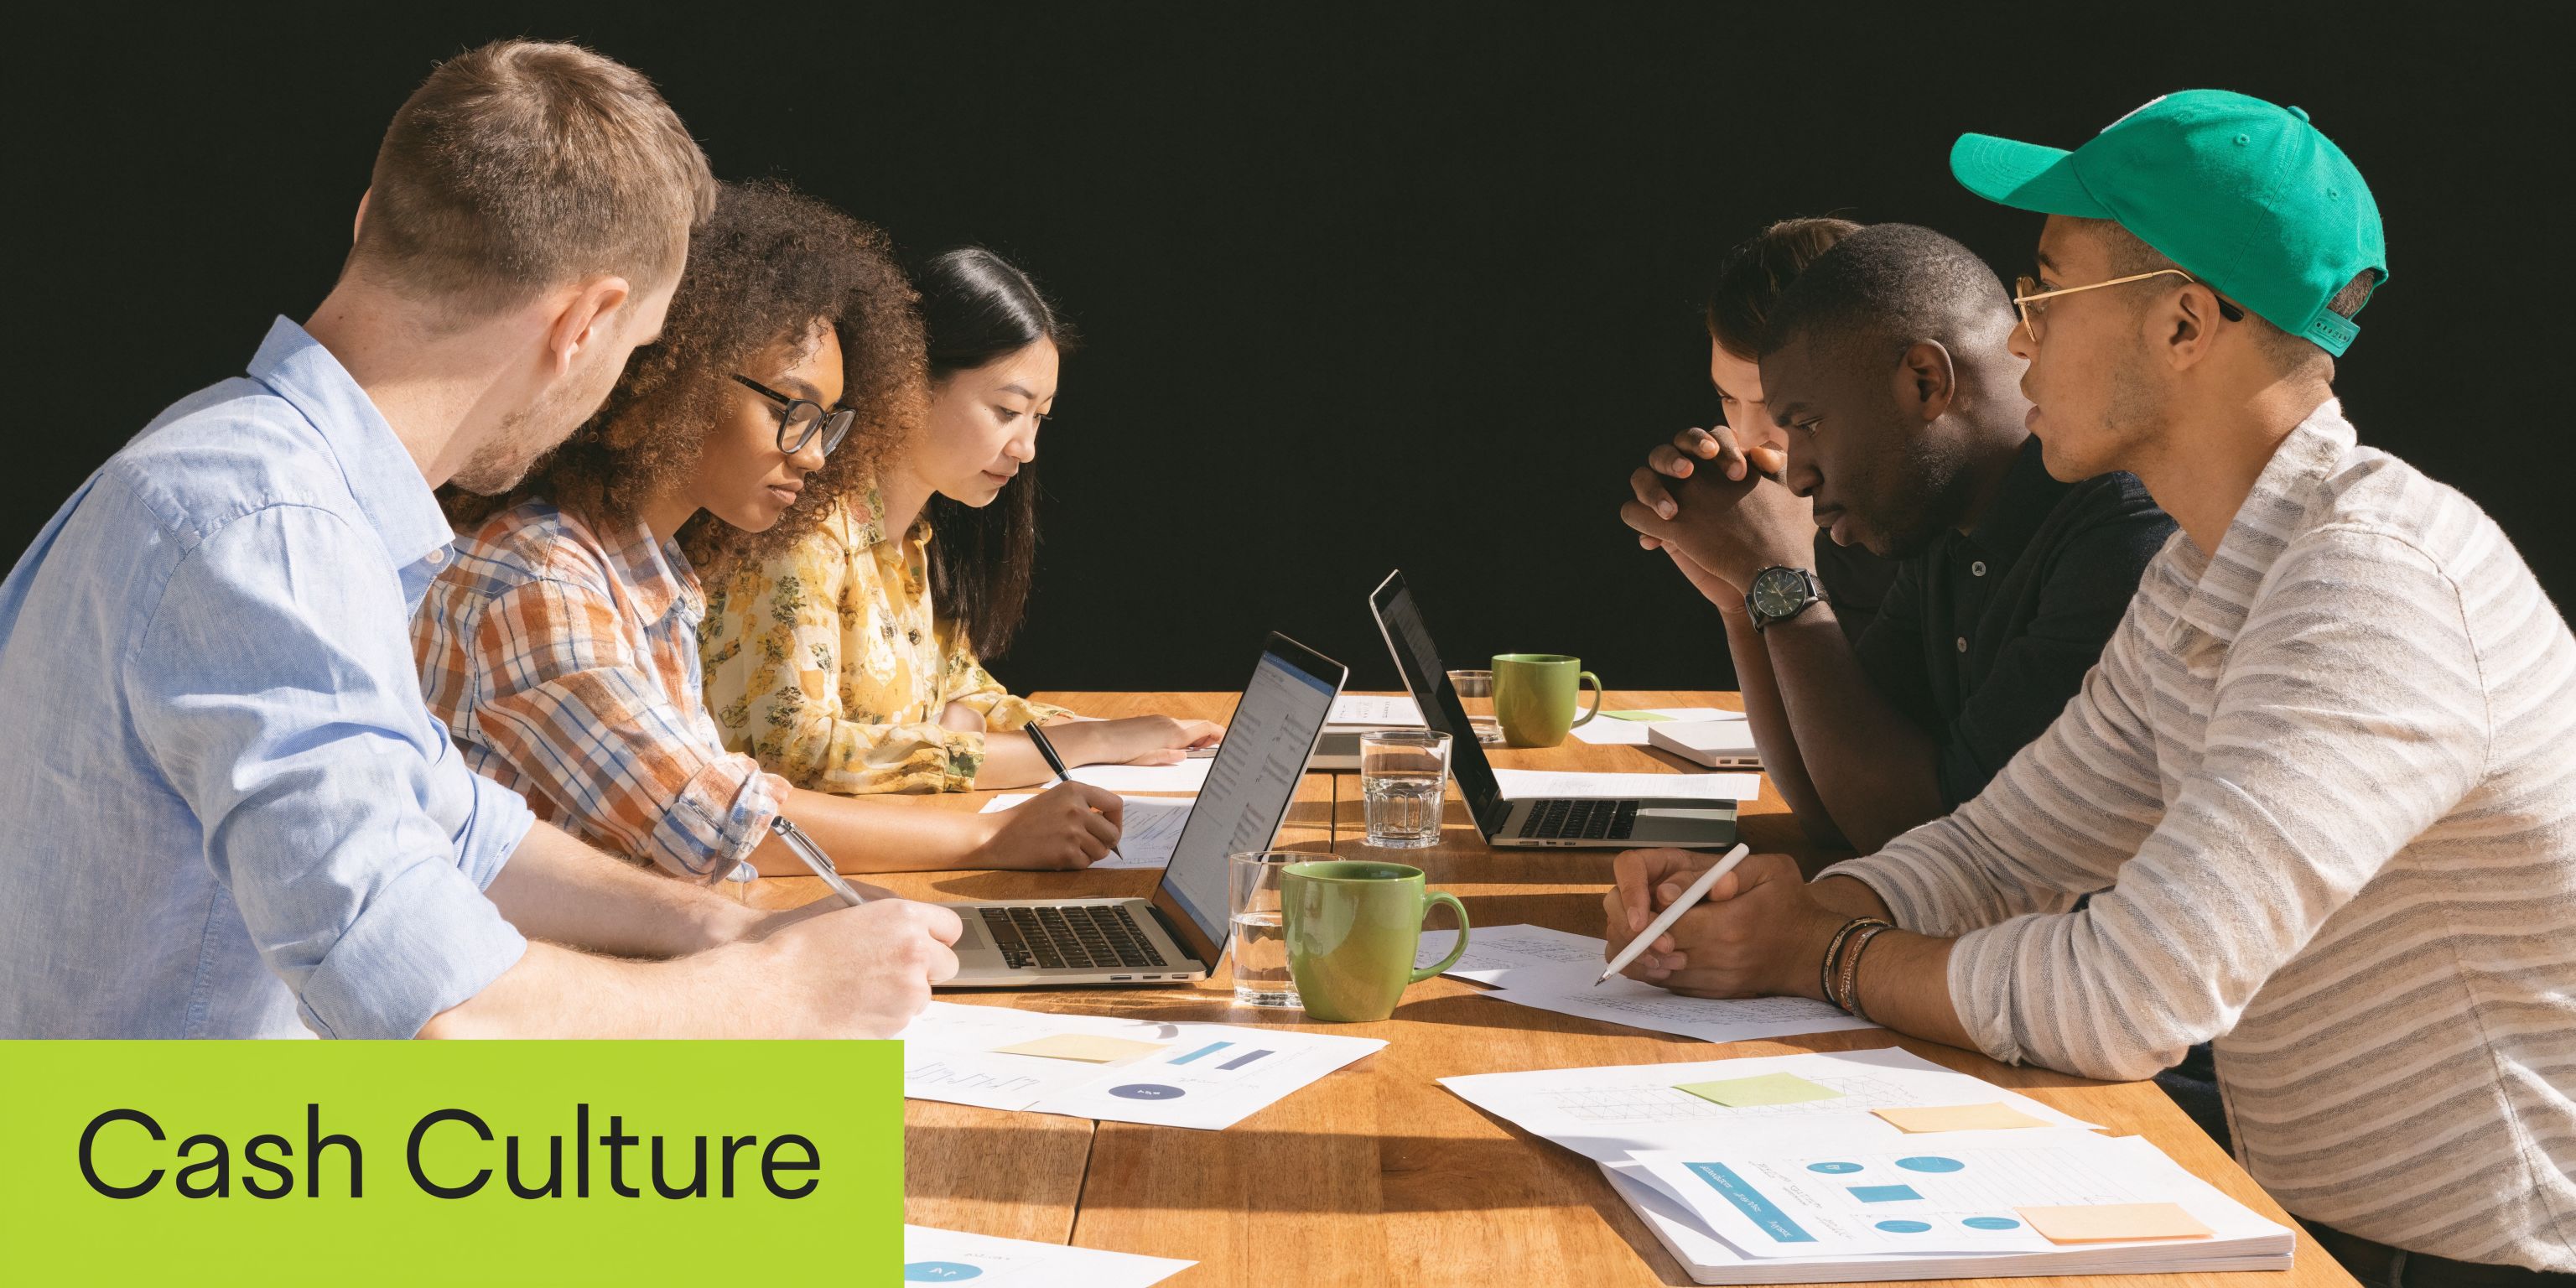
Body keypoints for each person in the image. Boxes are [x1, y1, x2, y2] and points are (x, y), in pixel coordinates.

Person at [1604, 91, 2574, 1283]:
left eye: (2045, 296)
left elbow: (2125, 995)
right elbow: (2000, 854)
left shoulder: (2371, 589)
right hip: (2316, 1228)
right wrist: (1783, 907)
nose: (2017, 345)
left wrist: (1819, 954)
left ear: (2182, 327)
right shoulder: (2206, 568)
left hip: (2472, 1262)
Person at [0, 41, 958, 1041]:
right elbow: (433, 1003)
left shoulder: (236, 465)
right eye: (635, 347)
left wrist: (720, 931)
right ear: (585, 323)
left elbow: (446, 821)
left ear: (371, 220)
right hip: (159, 1180)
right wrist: (779, 994)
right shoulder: (272, 529)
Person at [419, 186, 1124, 878]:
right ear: (676, 378)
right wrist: (989, 838)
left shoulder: (655, 572)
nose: (815, 455)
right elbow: (719, 822)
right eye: (792, 408)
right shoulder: (540, 578)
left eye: (829, 422)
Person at [1624, 223, 2173, 852]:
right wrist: (1741, 602)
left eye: (1807, 423)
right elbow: (1833, 806)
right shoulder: (1946, 527)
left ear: (1925, 382)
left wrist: (1775, 578)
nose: (1796, 472)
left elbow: (1933, 847)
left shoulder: (2123, 534)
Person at [701, 247, 1219, 794]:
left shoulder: (915, 539)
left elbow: (967, 693)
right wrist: (1081, 746)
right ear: (909, 383)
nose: (1026, 448)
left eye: (1039, 418)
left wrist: (1115, 734)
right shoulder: (804, 534)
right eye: (1007, 411)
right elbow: (801, 753)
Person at [1644, 216, 1901, 645]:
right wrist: (1741, 599)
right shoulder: (1818, 527)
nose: (1744, 437)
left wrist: (1783, 577)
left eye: (1776, 407)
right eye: (1728, 398)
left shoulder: (1942, 544)